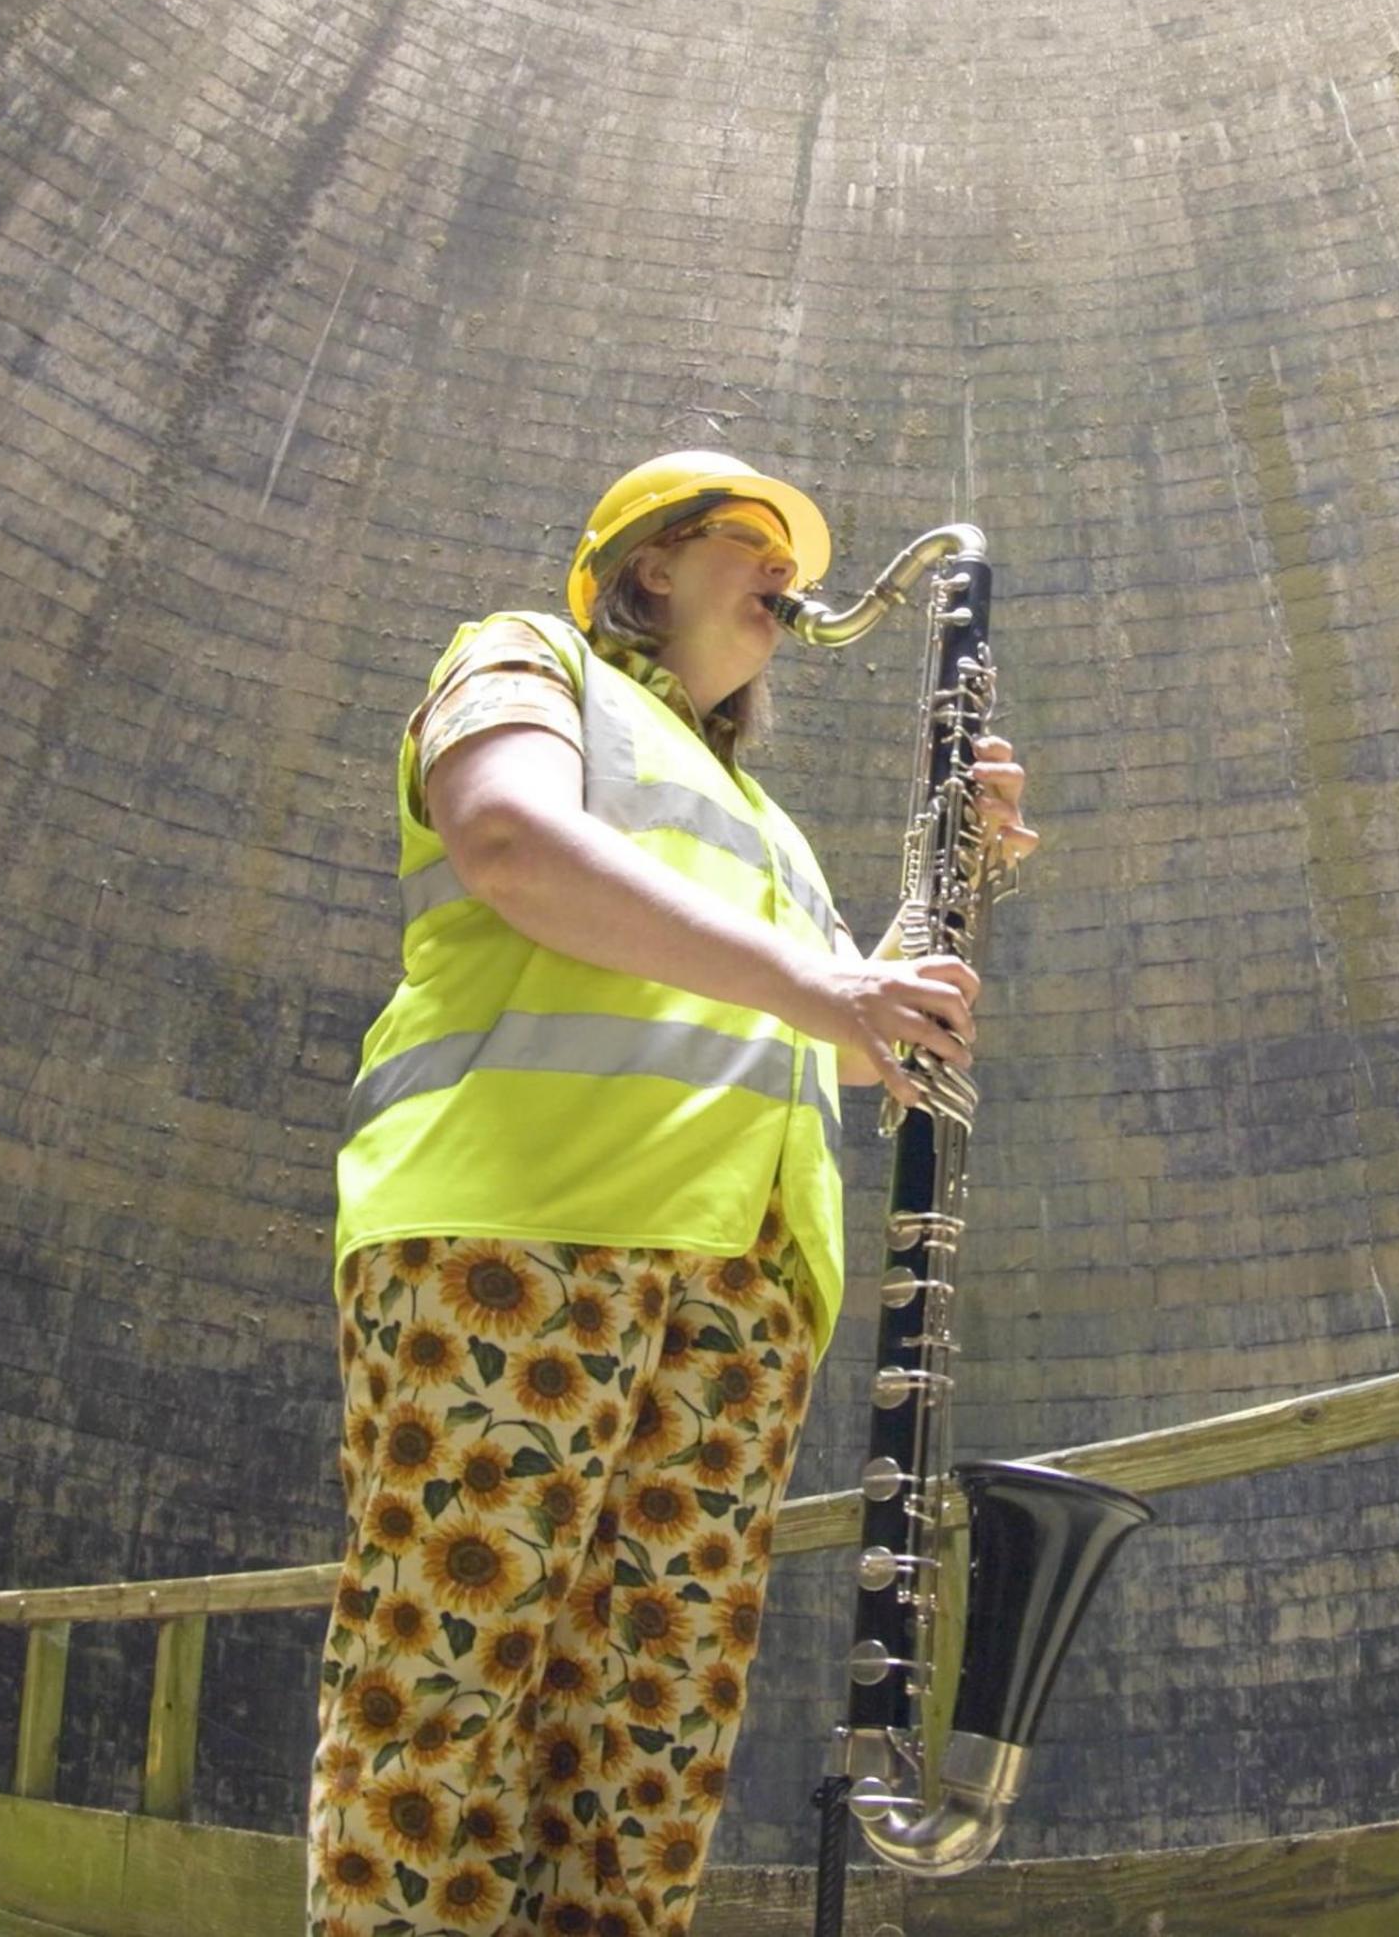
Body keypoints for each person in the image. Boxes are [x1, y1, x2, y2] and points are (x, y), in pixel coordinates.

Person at [311, 451, 1034, 1937]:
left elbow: (831, 1031)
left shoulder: (763, 828)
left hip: (737, 1300)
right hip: (517, 1237)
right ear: (650, 565)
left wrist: (963, 885)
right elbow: (509, 840)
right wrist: (835, 980)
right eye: (748, 541)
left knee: (650, 1747)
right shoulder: (528, 655)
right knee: (453, 1693)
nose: (792, 572)